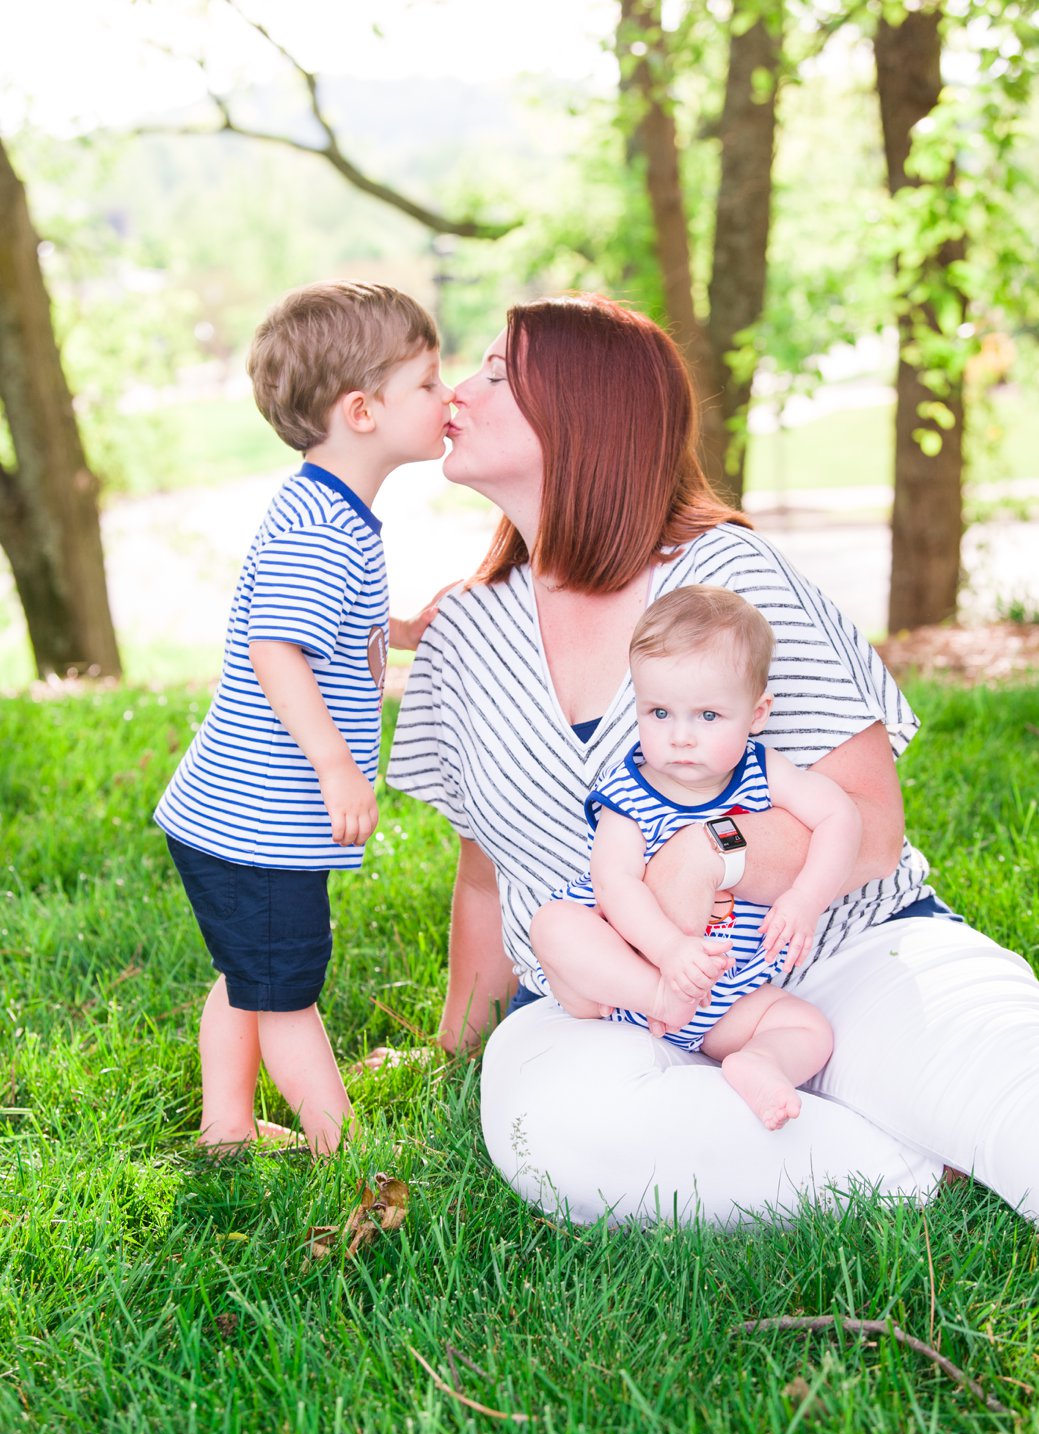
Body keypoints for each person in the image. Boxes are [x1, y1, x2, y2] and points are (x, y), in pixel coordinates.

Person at [387, 291, 1039, 1228]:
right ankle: (919, 1170)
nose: (459, 390)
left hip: (836, 952)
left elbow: (867, 823)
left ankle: (906, 1107)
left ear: (582, 411)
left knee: (1012, 1089)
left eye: (496, 374)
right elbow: (487, 871)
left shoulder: (725, 577)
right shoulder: (462, 632)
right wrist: (455, 1043)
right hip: (619, 1008)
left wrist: (712, 851)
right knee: (557, 1135)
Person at [156, 280, 453, 1154]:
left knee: (249, 973)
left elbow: (314, 623)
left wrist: (397, 629)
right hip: (255, 824)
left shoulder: (326, 508)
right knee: (285, 992)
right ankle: (342, 1148)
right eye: (428, 382)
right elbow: (276, 648)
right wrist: (335, 766)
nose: (448, 396)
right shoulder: (323, 529)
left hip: (235, 820)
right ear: (362, 411)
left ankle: (226, 1128)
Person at [529, 585, 862, 1130]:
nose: (680, 737)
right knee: (555, 925)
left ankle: (760, 1063)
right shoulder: (629, 794)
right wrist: (668, 957)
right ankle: (658, 1000)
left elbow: (839, 816)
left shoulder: (762, 771)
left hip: (724, 996)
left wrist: (805, 898)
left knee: (808, 1029)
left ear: (757, 714)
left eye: (708, 715)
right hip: (629, 980)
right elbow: (614, 883)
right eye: (659, 712)